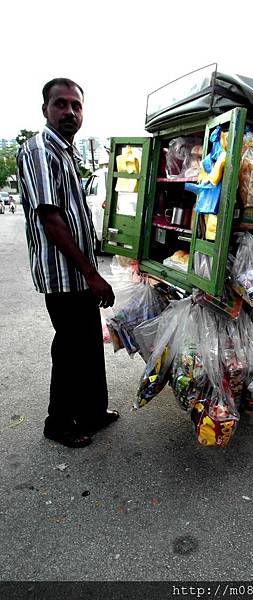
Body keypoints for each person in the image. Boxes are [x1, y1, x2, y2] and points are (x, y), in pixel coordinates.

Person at [17, 78, 119, 448]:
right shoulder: (40, 150)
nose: (69, 112)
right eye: (60, 105)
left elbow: (76, 214)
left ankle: (92, 411)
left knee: (89, 342)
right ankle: (57, 423)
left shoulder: (65, 153)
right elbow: (52, 219)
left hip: (78, 274)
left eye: (75, 106)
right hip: (64, 275)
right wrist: (92, 274)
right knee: (71, 348)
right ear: (45, 109)